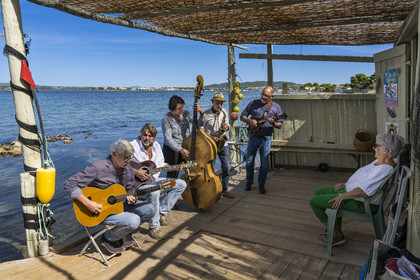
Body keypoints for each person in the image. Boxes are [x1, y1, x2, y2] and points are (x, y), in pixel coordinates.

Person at [309, 134, 405, 247]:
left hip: (362, 202)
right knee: (319, 192)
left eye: (376, 146)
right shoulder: (383, 162)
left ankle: (336, 234)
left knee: (314, 201)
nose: (374, 148)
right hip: (354, 193)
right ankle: (334, 229)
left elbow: (363, 191)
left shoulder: (383, 169)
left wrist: (343, 195)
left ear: (386, 150)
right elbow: (364, 180)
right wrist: (346, 184)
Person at [63, 140, 155, 254]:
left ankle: (120, 234)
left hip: (120, 207)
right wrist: (88, 203)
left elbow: (130, 189)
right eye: (125, 157)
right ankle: (108, 238)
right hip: (99, 211)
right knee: (134, 220)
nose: (129, 161)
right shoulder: (98, 168)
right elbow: (69, 184)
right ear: (114, 154)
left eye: (130, 157)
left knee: (150, 209)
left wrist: (132, 197)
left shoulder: (129, 170)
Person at [130, 123, 187, 239]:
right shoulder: (132, 146)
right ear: (141, 134)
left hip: (154, 181)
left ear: (154, 137)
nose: (147, 138)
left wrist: (176, 167)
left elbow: (162, 164)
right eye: (145, 135)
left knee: (180, 184)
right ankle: (154, 226)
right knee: (155, 192)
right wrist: (136, 171)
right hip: (138, 186)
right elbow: (120, 163)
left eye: (150, 136)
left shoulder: (156, 146)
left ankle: (161, 213)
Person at [240, 86, 283, 194]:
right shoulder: (253, 103)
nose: (263, 97)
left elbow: (280, 125)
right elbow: (242, 116)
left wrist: (273, 123)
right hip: (253, 137)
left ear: (272, 96)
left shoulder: (276, 107)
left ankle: (261, 185)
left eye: (266, 96)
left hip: (266, 139)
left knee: (264, 165)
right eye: (262, 94)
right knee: (249, 162)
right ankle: (249, 182)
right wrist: (250, 121)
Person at [197, 92, 234, 198]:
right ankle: (211, 189)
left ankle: (225, 189)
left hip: (223, 143)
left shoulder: (224, 112)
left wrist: (227, 126)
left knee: (226, 167)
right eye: (217, 103)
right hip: (210, 144)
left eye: (221, 103)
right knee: (210, 168)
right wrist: (211, 137)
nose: (220, 105)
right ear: (213, 102)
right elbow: (200, 128)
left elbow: (228, 124)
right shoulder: (206, 113)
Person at [162, 95, 193, 178]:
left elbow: (199, 123)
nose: (182, 109)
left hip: (185, 147)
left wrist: (201, 113)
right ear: (172, 108)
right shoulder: (166, 119)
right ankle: (169, 190)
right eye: (179, 108)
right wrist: (180, 149)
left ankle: (186, 189)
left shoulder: (186, 114)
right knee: (173, 174)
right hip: (171, 150)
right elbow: (168, 138)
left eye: (182, 107)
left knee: (190, 170)